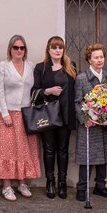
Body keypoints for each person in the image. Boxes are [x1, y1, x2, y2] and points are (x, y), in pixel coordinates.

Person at [0, 35, 41, 201]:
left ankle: (23, 183)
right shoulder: (3, 67)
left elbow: (36, 89)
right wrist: (5, 113)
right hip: (6, 114)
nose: (19, 50)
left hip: (25, 114)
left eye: (22, 48)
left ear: (25, 50)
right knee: (6, 149)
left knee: (24, 150)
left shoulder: (31, 66)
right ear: (10, 49)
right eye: (16, 47)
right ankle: (6, 186)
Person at [32, 36, 77, 199]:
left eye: (60, 47)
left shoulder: (70, 67)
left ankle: (62, 183)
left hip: (65, 115)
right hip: (48, 116)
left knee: (63, 150)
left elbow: (75, 91)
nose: (57, 50)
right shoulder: (41, 68)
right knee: (49, 150)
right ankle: (50, 182)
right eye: (54, 47)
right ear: (48, 50)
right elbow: (33, 91)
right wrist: (48, 91)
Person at [74, 43, 107, 202]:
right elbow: (77, 102)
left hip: (105, 124)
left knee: (104, 155)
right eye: (96, 57)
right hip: (89, 125)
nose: (100, 60)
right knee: (87, 157)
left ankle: (101, 186)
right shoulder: (82, 78)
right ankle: (82, 188)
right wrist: (84, 119)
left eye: (101, 57)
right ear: (89, 60)